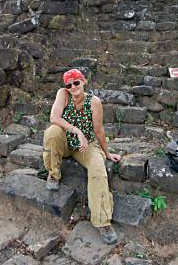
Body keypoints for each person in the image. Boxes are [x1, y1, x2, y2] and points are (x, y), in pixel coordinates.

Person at [43, 69, 121, 245]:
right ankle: (53, 173)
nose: (73, 87)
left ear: (84, 81)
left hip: (85, 146)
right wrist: (77, 131)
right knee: (52, 132)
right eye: (69, 84)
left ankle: (103, 221)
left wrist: (107, 153)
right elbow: (54, 117)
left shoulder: (94, 102)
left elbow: (99, 130)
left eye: (76, 82)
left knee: (98, 168)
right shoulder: (63, 94)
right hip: (65, 141)